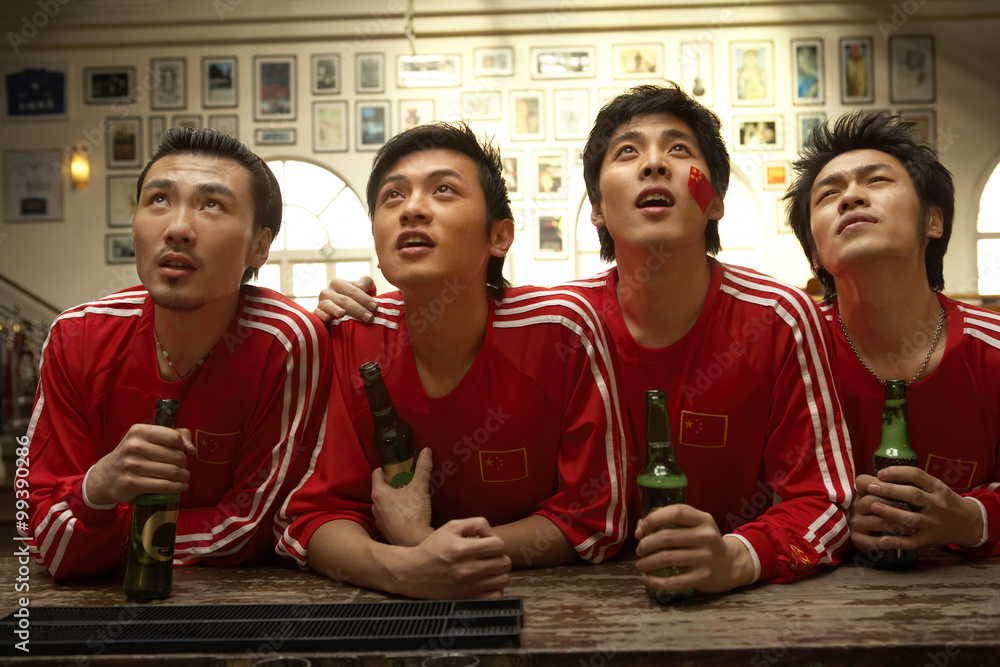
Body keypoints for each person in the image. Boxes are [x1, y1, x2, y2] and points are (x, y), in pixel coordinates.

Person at [275, 122, 629, 599]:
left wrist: (429, 547)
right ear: (377, 246)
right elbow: (313, 515)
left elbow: (593, 517)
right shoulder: (348, 336)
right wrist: (403, 566)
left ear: (499, 236)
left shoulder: (561, 331)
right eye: (393, 197)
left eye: (443, 190)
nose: (412, 210)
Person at [570, 83, 853, 595]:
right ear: (595, 208)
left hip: (748, 603)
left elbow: (827, 508)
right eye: (627, 151)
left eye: (679, 150)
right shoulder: (562, 323)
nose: (654, 164)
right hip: (575, 599)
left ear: (716, 201)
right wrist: (373, 308)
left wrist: (738, 557)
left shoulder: (779, 318)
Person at [22, 127, 331, 580]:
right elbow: (44, 531)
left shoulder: (285, 341)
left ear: (259, 246)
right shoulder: (79, 336)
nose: (178, 229)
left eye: (212, 204)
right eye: (159, 200)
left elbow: (252, 527)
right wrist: (98, 487)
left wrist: (102, 530)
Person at [784, 111, 999, 558]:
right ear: (815, 254)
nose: (851, 198)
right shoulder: (789, 353)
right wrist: (837, 519)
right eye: (829, 194)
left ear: (933, 221)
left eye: (876, 180)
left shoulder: (992, 348)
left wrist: (970, 517)